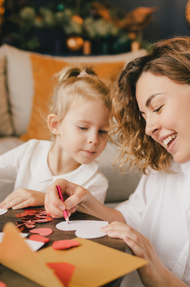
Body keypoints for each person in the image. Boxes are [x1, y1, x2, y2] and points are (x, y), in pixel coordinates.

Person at [45, 37, 190, 287]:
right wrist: (86, 200)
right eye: (144, 117)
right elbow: (132, 215)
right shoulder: (165, 169)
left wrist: (159, 275)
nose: (149, 129)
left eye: (157, 107)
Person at [0, 64, 111, 210]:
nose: (94, 139)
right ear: (56, 124)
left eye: (103, 131)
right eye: (83, 127)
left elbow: (84, 224)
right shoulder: (30, 152)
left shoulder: (95, 182)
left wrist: (44, 199)